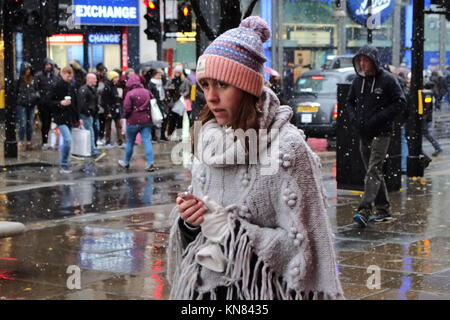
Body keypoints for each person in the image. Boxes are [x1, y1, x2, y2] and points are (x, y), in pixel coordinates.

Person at [166, 16, 343, 300]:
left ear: (248, 88)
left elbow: (307, 250)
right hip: (203, 293)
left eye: (222, 85)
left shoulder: (288, 148)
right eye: (205, 85)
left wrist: (237, 234)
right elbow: (196, 240)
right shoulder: (207, 139)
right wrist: (190, 222)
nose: (210, 97)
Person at [346, 44, 406, 227]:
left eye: (366, 60)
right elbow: (349, 102)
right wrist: (354, 119)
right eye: (360, 61)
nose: (363, 64)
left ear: (374, 61)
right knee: (374, 172)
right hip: (364, 134)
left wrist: (379, 118)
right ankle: (383, 209)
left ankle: (364, 209)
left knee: (373, 170)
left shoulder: (387, 81)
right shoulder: (358, 81)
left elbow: (400, 102)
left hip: (382, 133)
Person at [118, 74, 157, 172]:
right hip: (146, 121)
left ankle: (126, 162)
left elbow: (126, 109)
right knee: (147, 141)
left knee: (130, 142)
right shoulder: (147, 92)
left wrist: (126, 116)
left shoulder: (130, 94)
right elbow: (153, 103)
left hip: (133, 122)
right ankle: (150, 162)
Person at [46, 66, 80, 173]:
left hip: (68, 117)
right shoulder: (56, 86)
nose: (69, 77)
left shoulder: (71, 86)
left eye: (71, 76)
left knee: (68, 140)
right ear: (63, 74)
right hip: (60, 117)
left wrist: (77, 118)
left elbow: (74, 104)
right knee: (68, 140)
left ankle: (64, 162)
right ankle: (64, 163)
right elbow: (48, 101)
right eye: (67, 75)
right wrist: (60, 103)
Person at [77, 73, 106, 161]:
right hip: (87, 115)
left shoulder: (92, 89)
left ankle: (93, 148)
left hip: (93, 115)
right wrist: (87, 112)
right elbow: (81, 103)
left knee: (95, 130)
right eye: (94, 79)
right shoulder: (84, 89)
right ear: (89, 79)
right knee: (91, 132)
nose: (96, 80)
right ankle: (93, 150)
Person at [14, 62, 40, 152]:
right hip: (22, 104)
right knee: (23, 124)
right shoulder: (19, 80)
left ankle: (29, 142)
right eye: (26, 69)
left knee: (29, 124)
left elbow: (37, 90)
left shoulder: (33, 79)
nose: (28, 71)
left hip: (31, 104)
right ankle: (21, 142)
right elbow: (15, 92)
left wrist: (36, 97)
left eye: (29, 69)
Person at [35, 58, 58, 150]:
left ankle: (52, 143)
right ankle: (45, 141)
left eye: (50, 65)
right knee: (45, 123)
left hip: (53, 103)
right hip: (44, 104)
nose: (48, 66)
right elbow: (36, 88)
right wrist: (40, 99)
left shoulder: (56, 76)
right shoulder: (39, 76)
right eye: (47, 65)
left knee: (54, 124)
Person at [165, 65, 191, 140]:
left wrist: (182, 95)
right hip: (173, 102)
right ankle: (170, 135)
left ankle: (179, 135)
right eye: (176, 71)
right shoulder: (171, 79)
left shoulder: (185, 80)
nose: (177, 73)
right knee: (172, 119)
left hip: (181, 102)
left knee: (180, 120)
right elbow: (166, 87)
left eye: (179, 72)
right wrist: (170, 88)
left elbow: (187, 90)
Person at [103, 71, 125, 147]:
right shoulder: (107, 87)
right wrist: (108, 111)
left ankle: (120, 141)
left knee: (119, 125)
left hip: (116, 108)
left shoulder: (115, 86)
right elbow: (105, 101)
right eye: (116, 77)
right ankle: (107, 142)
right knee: (108, 126)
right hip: (109, 109)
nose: (117, 79)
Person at [423, 81, 443, 157]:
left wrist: (424, 115)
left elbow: (427, 107)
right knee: (425, 133)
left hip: (426, 117)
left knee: (425, 133)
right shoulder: (431, 94)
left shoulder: (427, 94)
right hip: (428, 117)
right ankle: (437, 147)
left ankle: (437, 147)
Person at [147, 68, 167, 141]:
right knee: (154, 119)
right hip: (155, 103)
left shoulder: (162, 82)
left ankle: (162, 135)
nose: (160, 76)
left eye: (160, 74)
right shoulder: (151, 83)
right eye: (158, 74)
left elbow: (165, 79)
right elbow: (150, 93)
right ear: (154, 75)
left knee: (164, 119)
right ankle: (154, 136)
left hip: (162, 102)